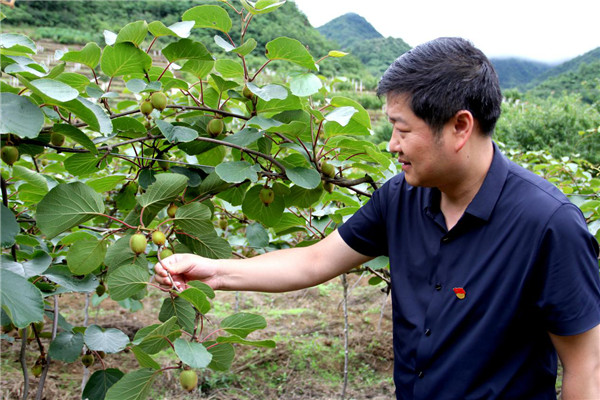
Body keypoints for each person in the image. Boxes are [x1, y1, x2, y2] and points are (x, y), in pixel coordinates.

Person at [155, 37, 600, 399]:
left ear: (460, 127)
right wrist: (214, 271)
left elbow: (584, 369)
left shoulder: (548, 224)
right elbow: (314, 262)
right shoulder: (400, 197)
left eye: (402, 129)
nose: (391, 144)